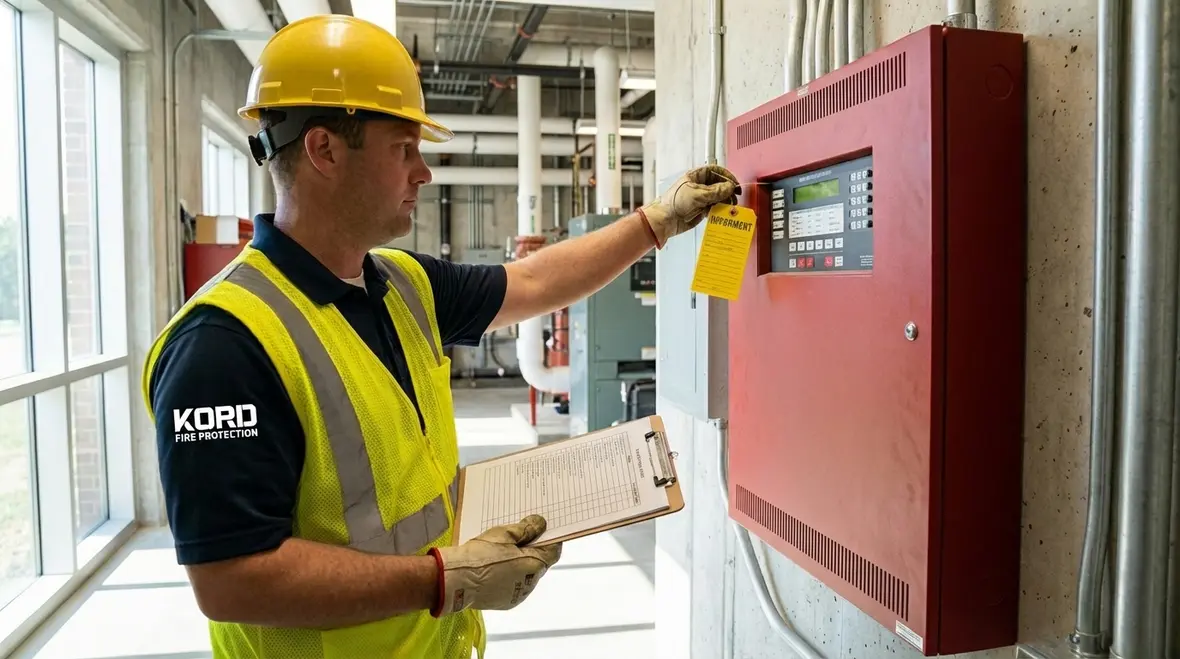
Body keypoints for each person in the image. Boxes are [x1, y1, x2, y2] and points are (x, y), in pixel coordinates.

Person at [141, 13, 737, 659]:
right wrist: (443, 579)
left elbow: (533, 281)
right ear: (325, 150)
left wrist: (656, 221)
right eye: (404, 149)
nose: (423, 172)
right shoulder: (223, 343)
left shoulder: (402, 282)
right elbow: (233, 580)